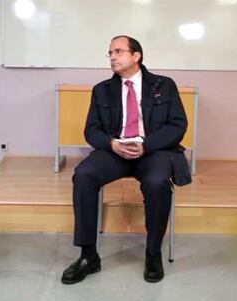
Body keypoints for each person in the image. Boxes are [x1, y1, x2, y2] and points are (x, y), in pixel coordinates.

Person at [61, 35, 191, 285]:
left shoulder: (164, 85)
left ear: (136, 55)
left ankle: (153, 253)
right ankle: (88, 255)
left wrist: (145, 146)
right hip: (115, 151)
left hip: (152, 151)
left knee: (157, 182)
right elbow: (91, 130)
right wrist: (112, 144)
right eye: (109, 53)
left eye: (118, 51)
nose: (112, 57)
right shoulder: (102, 90)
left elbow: (177, 126)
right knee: (84, 175)